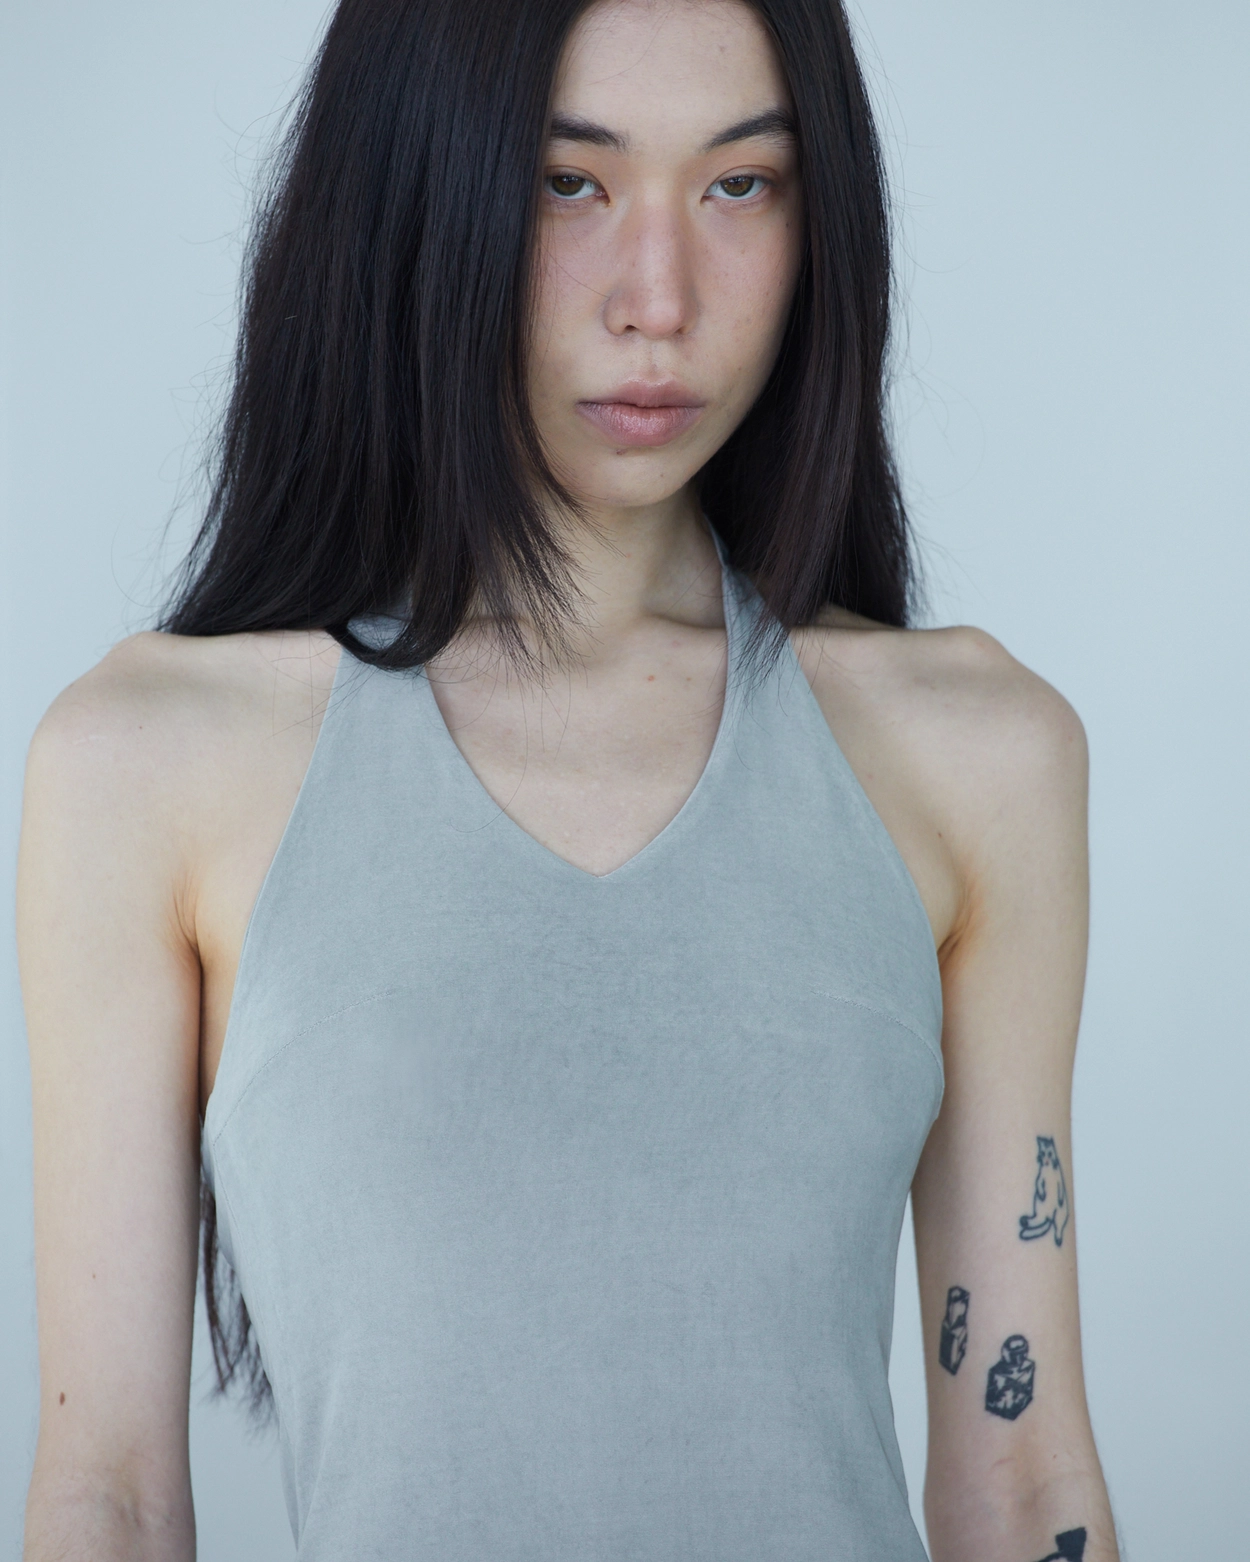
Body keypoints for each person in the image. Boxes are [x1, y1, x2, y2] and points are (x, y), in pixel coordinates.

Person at [16, 0, 1119, 1558]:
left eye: (739, 183)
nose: (658, 300)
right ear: (414, 186)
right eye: (566, 180)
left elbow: (1022, 1485)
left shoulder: (975, 752)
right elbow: (111, 1498)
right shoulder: (144, 762)